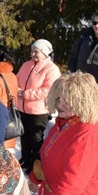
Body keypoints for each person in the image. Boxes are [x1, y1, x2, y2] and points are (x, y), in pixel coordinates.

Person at [16, 39, 61, 174]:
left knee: (36, 138)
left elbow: (48, 90)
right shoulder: (26, 65)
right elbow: (17, 79)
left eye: (36, 51)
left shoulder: (51, 69)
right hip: (22, 108)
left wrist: (26, 94)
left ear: (45, 52)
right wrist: (17, 89)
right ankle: (25, 159)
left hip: (39, 110)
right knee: (24, 135)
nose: (33, 54)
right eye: (32, 51)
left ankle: (34, 163)